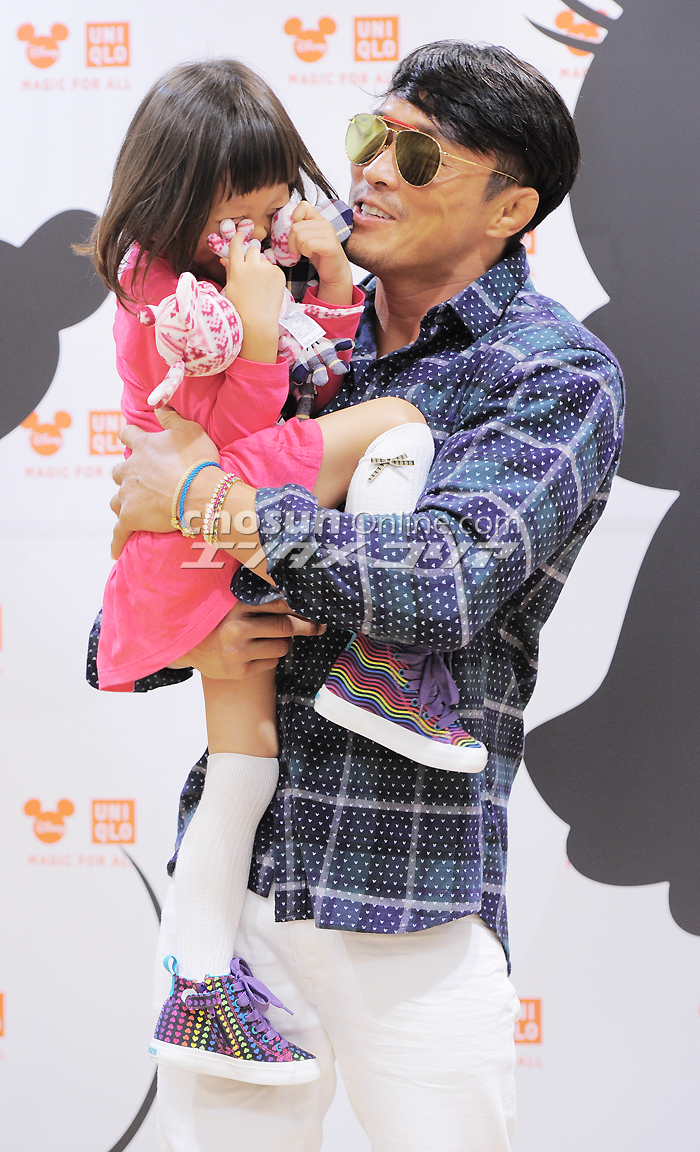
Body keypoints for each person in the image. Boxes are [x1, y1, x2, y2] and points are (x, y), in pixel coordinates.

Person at [104, 41, 624, 1152]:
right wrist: (193, 638)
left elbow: (447, 581)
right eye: (370, 138)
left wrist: (209, 499)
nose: (373, 170)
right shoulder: (273, 315)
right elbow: (136, 568)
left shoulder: (550, 373)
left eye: (419, 155)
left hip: (410, 899)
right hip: (237, 900)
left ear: (511, 207)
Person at [88, 59, 487, 1086]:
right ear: (174, 194)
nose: (256, 227)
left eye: (270, 204)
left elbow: (316, 382)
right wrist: (261, 321)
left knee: (243, 770)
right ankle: (384, 667)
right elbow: (238, 430)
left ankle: (199, 994)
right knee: (396, 423)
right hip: (210, 516)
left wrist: (331, 283)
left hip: (204, 540)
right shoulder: (169, 297)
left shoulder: (227, 265)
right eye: (237, 209)